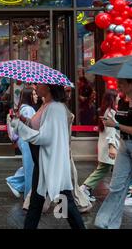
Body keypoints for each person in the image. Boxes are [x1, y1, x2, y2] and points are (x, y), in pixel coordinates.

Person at [10, 84, 85, 229]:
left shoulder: (54, 108)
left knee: (64, 202)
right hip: (44, 162)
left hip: (52, 162)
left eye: (39, 84)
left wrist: (19, 127)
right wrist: (24, 120)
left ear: (49, 88)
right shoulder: (46, 105)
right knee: (37, 203)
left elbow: (45, 137)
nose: (35, 87)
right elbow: (37, 126)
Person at [95, 78, 132, 229]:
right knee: (116, 186)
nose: (118, 85)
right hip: (124, 145)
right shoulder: (122, 100)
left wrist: (116, 125)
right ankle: (106, 223)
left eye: (122, 83)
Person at [80, 90, 120, 202]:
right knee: (103, 170)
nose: (119, 98)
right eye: (117, 96)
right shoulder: (111, 111)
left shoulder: (106, 111)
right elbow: (110, 130)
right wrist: (112, 146)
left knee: (104, 169)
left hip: (106, 146)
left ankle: (85, 189)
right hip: (109, 146)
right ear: (112, 98)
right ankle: (84, 188)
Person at [6, 87, 38, 202]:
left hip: (25, 141)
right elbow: (31, 125)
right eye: (34, 94)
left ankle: (15, 183)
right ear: (29, 96)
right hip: (27, 142)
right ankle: (29, 198)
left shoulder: (24, 108)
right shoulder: (28, 109)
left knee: (29, 166)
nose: (36, 96)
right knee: (30, 168)